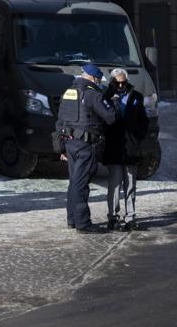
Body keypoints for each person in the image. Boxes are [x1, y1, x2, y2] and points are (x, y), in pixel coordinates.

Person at [55, 63, 118, 234]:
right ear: (92, 78)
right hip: (86, 145)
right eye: (98, 79)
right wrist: (112, 103)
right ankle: (83, 223)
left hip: (70, 142)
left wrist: (61, 148)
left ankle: (72, 219)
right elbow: (111, 117)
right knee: (81, 183)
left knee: (74, 182)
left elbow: (60, 121)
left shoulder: (69, 92)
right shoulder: (92, 94)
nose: (98, 82)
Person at [102, 68, 149, 231]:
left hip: (130, 147)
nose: (121, 86)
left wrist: (138, 137)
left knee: (130, 184)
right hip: (113, 146)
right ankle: (112, 217)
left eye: (123, 82)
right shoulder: (105, 96)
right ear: (112, 82)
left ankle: (130, 217)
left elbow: (144, 121)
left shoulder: (136, 97)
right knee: (114, 185)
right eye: (117, 82)